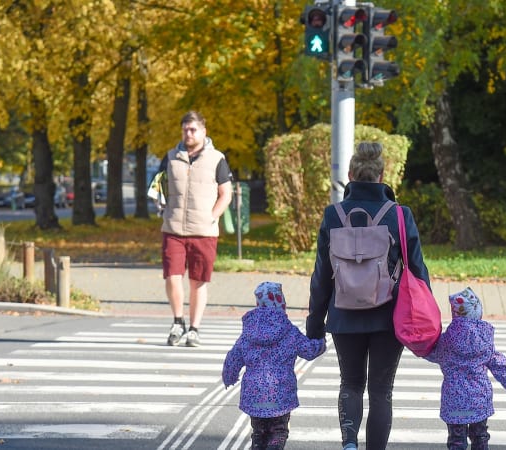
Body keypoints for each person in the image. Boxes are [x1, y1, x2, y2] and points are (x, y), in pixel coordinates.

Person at [306, 142, 431, 450]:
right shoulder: (399, 215)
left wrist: (315, 324)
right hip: (389, 318)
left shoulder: (333, 215)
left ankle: (349, 443)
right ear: (382, 175)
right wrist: (427, 322)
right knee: (381, 391)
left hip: (343, 315)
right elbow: (418, 270)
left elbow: (322, 273)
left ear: (350, 175)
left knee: (350, 383)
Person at [158, 110, 233, 347]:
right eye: (185, 130)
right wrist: (161, 206)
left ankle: (194, 329)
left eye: (193, 130)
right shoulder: (170, 157)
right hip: (174, 229)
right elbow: (158, 186)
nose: (188, 134)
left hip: (203, 231)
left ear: (203, 131)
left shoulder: (217, 159)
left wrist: (212, 216)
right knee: (172, 276)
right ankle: (177, 322)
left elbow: (226, 194)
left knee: (198, 281)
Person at [424, 287, 506, 450]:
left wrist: (414, 344)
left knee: (456, 441)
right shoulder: (485, 342)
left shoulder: (445, 342)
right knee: (480, 437)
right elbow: (500, 367)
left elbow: (430, 353)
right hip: (479, 400)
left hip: (454, 401)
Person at [223, 282, 326, 450]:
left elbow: (233, 358)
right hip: (280, 393)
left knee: (259, 432)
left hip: (254, 395)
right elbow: (309, 351)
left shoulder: (249, 333)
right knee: (278, 431)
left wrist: (229, 376)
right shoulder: (289, 331)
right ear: (282, 303)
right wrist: (320, 342)